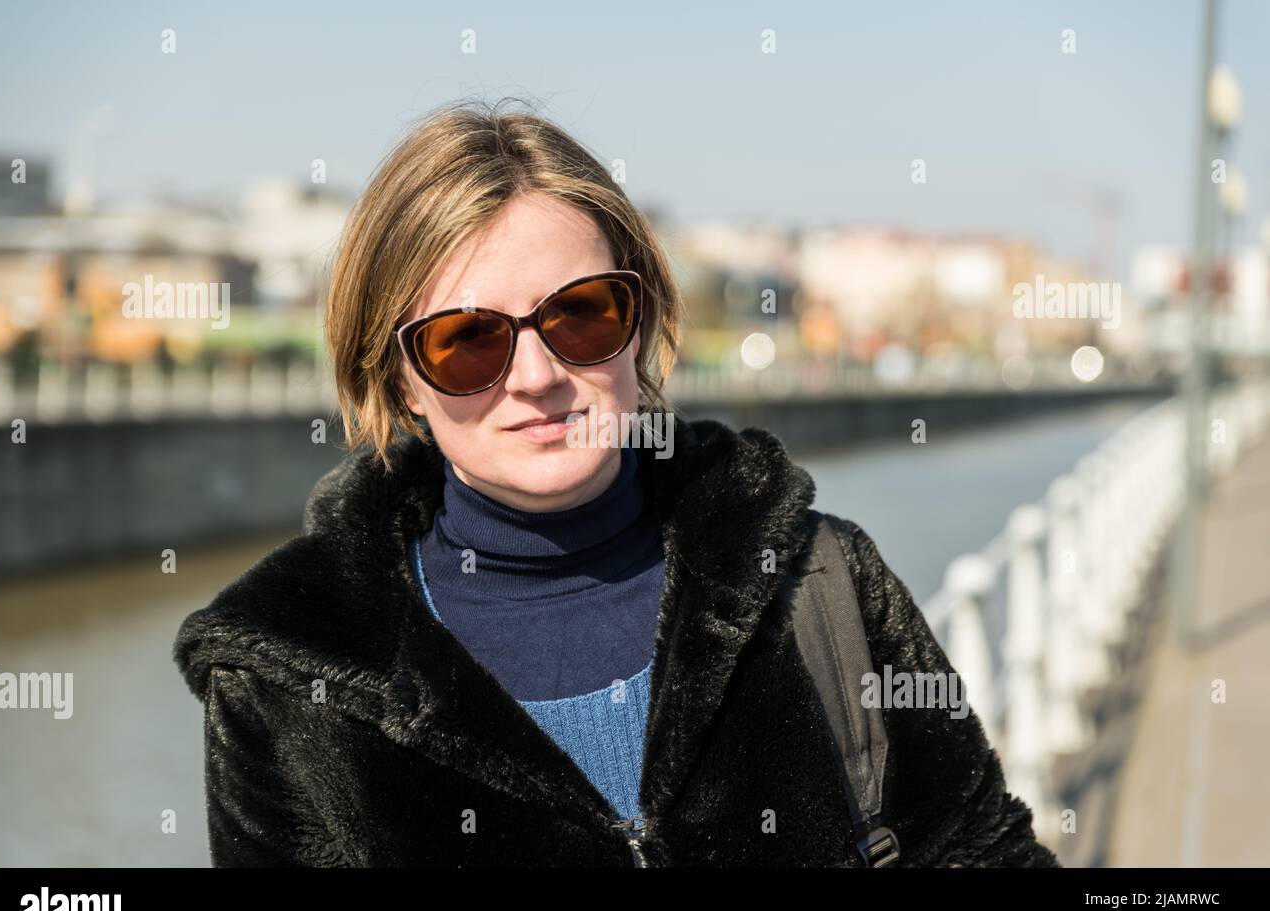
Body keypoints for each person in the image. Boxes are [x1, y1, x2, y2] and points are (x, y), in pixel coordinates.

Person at [173, 98, 1059, 867]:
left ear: (640, 324)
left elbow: (978, 851)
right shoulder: (287, 677)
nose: (536, 375)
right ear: (399, 374)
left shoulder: (819, 582)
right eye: (468, 340)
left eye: (580, 314)